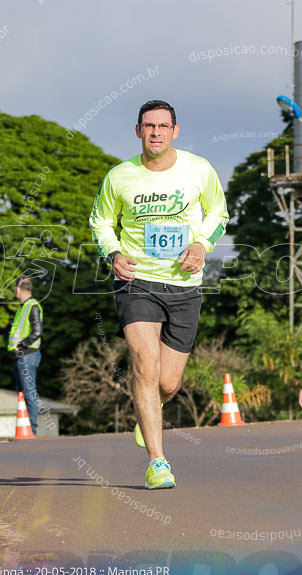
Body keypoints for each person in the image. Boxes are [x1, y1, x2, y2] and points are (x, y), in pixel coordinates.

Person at [89, 99, 228, 489]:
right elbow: (100, 221)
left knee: (167, 384)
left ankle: (147, 414)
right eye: (148, 126)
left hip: (184, 286)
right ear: (138, 131)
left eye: (163, 126)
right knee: (144, 364)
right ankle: (157, 462)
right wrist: (113, 253)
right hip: (137, 283)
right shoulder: (120, 176)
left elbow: (219, 213)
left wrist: (201, 244)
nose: (155, 132)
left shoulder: (199, 170)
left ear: (175, 131)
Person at [8, 276, 43, 434]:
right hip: (22, 356)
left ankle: (32, 430)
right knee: (23, 393)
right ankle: (26, 428)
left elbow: (37, 332)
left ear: (18, 288)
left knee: (28, 393)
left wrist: (21, 345)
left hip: (27, 355)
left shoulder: (32, 306)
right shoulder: (23, 307)